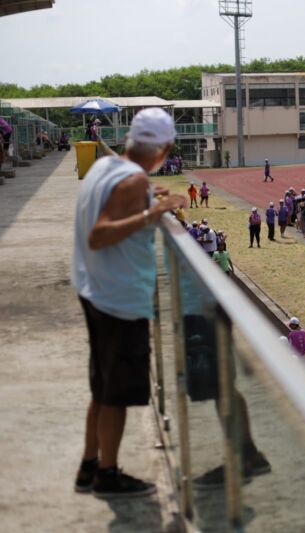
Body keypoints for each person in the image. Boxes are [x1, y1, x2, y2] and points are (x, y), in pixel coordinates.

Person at [72, 107, 187, 498]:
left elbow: (112, 204)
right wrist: (153, 213)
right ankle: (108, 474)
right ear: (165, 148)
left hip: (94, 290)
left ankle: (89, 466)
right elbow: (99, 234)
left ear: (129, 141)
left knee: (102, 388)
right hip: (118, 301)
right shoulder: (133, 180)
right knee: (116, 396)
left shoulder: (106, 168)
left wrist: (148, 198)